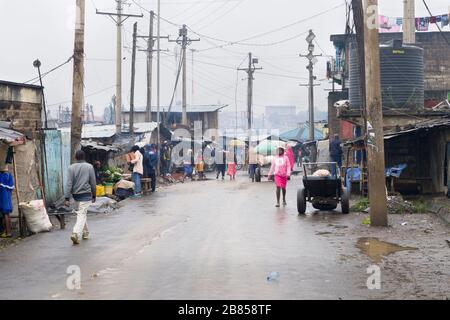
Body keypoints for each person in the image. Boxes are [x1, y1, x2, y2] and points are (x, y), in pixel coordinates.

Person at [64, 150, 96, 245]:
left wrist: (67, 197)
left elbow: (69, 184)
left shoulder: (71, 167)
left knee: (82, 213)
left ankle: (85, 233)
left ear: (75, 157)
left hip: (76, 195)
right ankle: (76, 233)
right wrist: (94, 195)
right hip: (86, 194)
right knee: (82, 214)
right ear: (84, 157)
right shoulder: (89, 167)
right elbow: (93, 182)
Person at [0, 164, 14, 238]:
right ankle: (9, 231)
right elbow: (11, 187)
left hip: (3, 195)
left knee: (5, 214)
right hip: (8, 195)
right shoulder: (9, 175)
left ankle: (8, 232)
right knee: (7, 214)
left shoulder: (1, 176)